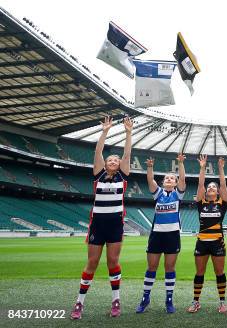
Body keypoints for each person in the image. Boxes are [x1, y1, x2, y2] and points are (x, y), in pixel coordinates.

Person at [70, 116, 133, 319]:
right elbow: (97, 152)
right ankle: (79, 303)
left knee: (113, 262)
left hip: (115, 226)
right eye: (110, 160)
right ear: (105, 164)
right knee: (92, 263)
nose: (113, 161)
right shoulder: (98, 175)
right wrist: (105, 131)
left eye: (116, 160)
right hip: (97, 225)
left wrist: (128, 132)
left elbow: (127, 153)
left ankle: (116, 301)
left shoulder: (123, 176)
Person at [136, 153, 186, 314]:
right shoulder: (158, 194)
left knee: (169, 268)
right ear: (163, 182)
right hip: (156, 235)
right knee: (152, 267)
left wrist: (180, 164)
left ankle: (169, 300)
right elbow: (150, 181)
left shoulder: (178, 194)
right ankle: (145, 298)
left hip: (173, 235)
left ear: (176, 182)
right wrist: (150, 167)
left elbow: (183, 180)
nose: (169, 180)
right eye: (167, 178)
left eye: (172, 178)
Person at [187, 155, 227, 314]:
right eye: (209, 187)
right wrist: (202, 168)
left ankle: (222, 302)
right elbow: (200, 184)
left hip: (218, 243)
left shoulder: (222, 203)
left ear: (218, 191)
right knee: (199, 273)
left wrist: (220, 168)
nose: (211, 188)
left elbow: (224, 184)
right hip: (202, 243)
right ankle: (196, 301)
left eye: (214, 187)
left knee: (219, 273)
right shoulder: (201, 203)